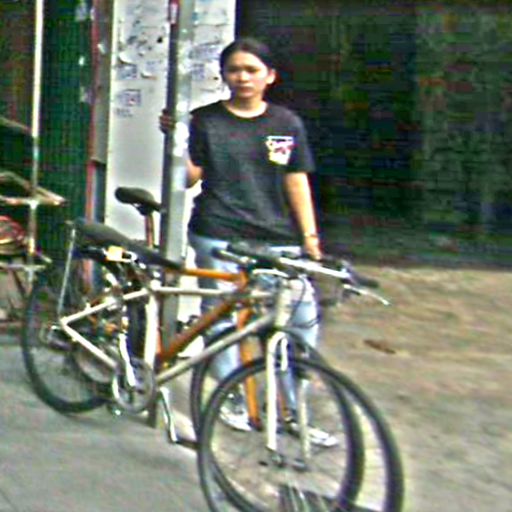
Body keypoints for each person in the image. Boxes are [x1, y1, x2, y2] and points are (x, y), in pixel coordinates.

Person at [161, 38, 331, 442]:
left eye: (252, 70)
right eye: (234, 70)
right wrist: (175, 141)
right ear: (224, 75)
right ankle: (232, 398)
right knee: (222, 320)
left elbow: (296, 179)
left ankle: (292, 411)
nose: (242, 77)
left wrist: (310, 237)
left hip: (278, 239)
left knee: (298, 322)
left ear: (270, 76)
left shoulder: (286, 123)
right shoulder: (206, 120)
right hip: (218, 234)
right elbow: (189, 178)